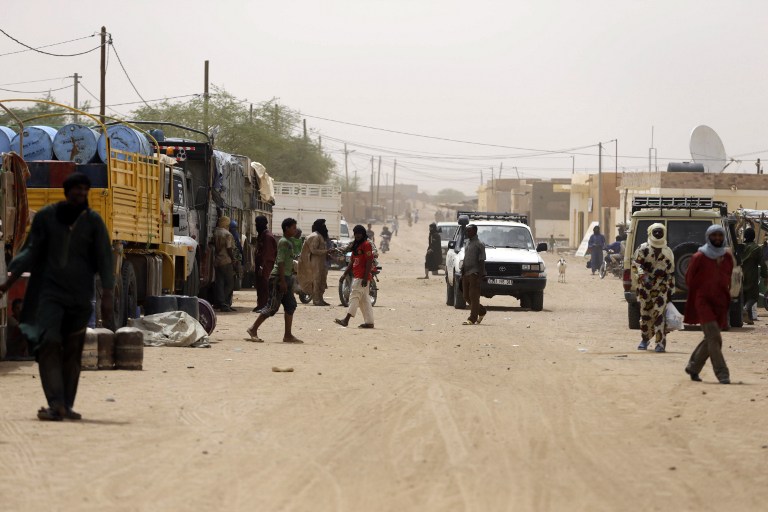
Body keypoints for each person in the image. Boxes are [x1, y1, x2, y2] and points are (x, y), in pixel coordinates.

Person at [0, 172, 114, 421]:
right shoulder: (45, 218)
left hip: (80, 297)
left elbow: (106, 257)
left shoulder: (93, 222)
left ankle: (65, 405)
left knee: (73, 351)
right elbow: (30, 250)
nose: (81, 195)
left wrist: (107, 294)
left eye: (85, 191)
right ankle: (55, 403)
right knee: (49, 342)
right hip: (49, 294)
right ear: (67, 192)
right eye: (77, 190)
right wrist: (7, 282)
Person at [683, 225, 733, 384]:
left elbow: (728, 277)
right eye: (714, 235)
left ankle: (693, 367)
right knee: (714, 337)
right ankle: (722, 373)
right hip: (703, 301)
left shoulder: (727, 257)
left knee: (711, 338)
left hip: (720, 303)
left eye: (720, 235)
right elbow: (689, 279)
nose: (717, 238)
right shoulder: (699, 257)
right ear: (708, 237)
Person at [246, 218, 303, 344]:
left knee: (290, 305)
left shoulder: (289, 241)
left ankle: (288, 335)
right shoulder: (283, 242)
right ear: (286, 228)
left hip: (286, 278)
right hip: (278, 278)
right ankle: (253, 329)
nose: (295, 230)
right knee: (272, 307)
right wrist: (282, 281)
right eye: (293, 227)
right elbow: (281, 262)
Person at [633, 223, 675, 352]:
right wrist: (643, 277)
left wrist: (671, 290)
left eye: (660, 232)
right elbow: (636, 265)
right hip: (645, 288)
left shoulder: (668, 251)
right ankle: (645, 340)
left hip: (661, 288)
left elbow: (671, 272)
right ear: (650, 232)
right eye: (655, 232)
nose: (657, 234)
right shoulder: (643, 248)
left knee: (659, 315)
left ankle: (660, 343)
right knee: (645, 315)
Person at [335, 225, 375, 328]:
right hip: (358, 275)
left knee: (354, 296)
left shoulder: (366, 244)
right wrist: (344, 274)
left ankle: (346, 320)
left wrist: (365, 278)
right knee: (364, 300)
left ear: (363, 234)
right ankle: (369, 322)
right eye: (356, 233)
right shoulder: (356, 245)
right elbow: (352, 262)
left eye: (359, 233)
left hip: (362, 277)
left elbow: (369, 261)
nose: (357, 235)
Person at [298, 219, 330, 306]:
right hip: (315, 263)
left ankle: (320, 299)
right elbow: (313, 250)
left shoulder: (320, 236)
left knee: (322, 280)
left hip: (321, 262)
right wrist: (326, 252)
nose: (325, 228)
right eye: (323, 225)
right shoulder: (315, 236)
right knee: (316, 281)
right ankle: (316, 300)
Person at [461, 224, 487, 325]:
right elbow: (465, 257)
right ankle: (481, 311)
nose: (467, 233)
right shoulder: (467, 243)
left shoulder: (479, 244)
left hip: (475, 273)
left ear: (475, 232)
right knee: (466, 296)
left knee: (474, 296)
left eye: (469, 231)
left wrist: (480, 276)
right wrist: (463, 270)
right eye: (466, 231)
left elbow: (482, 261)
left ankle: (472, 318)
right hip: (466, 273)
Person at [740, 227, 766, 325]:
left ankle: (749, 318)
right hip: (751, 275)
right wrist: (765, 275)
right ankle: (745, 309)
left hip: (740, 274)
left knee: (745, 295)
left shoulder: (741, 247)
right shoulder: (756, 248)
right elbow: (762, 263)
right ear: (754, 236)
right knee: (754, 297)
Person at [253, 215, 277, 311]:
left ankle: (265, 305)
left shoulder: (267, 237)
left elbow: (267, 254)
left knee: (265, 285)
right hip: (261, 265)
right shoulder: (262, 235)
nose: (256, 226)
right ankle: (261, 304)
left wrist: (262, 267)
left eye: (257, 224)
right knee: (260, 285)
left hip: (265, 265)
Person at [212, 216, 236, 312]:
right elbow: (229, 247)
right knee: (230, 283)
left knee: (220, 283)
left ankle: (220, 302)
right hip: (226, 260)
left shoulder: (215, 232)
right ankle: (224, 303)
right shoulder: (227, 234)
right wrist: (233, 258)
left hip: (217, 261)